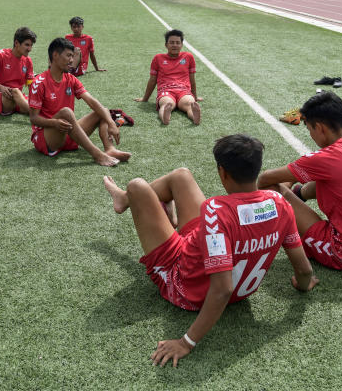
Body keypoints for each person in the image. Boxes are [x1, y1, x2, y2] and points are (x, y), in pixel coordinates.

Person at [102, 134, 317, 367]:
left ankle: (129, 198)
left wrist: (186, 342)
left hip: (185, 287)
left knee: (137, 186)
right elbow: (304, 270)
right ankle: (126, 201)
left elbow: (222, 289)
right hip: (234, 286)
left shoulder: (217, 210)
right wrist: (303, 284)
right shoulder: (280, 203)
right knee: (181, 176)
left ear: (222, 172)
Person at [258, 92, 342, 269]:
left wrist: (286, 186)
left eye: (309, 129)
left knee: (273, 190)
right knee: (332, 179)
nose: (311, 135)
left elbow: (265, 178)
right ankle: (298, 194)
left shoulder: (327, 158)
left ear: (320, 128)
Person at [29, 37, 131, 167]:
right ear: (55, 55)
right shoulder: (40, 82)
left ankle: (110, 149)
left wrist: (111, 122)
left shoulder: (70, 79)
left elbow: (92, 101)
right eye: (68, 56)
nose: (72, 60)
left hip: (67, 131)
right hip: (48, 138)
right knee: (66, 113)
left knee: (103, 111)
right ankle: (98, 155)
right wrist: (54, 123)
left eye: (72, 56)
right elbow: (33, 118)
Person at [135, 29, 201, 125]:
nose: (175, 45)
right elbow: (152, 80)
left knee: (190, 103)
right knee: (167, 103)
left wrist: (194, 96)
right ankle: (165, 117)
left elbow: (192, 79)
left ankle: (195, 117)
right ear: (166, 45)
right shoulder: (158, 58)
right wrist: (145, 98)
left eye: (178, 43)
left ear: (181, 45)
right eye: (171, 42)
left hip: (183, 90)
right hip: (166, 90)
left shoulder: (188, 57)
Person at [0, 27, 37, 115]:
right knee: (15, 91)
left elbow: (30, 84)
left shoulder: (28, 61)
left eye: (31, 45)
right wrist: (2, 88)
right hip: (0, 98)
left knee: (38, 103)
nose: (30, 49)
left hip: (18, 99)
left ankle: (38, 113)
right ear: (16, 43)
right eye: (27, 45)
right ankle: (38, 117)